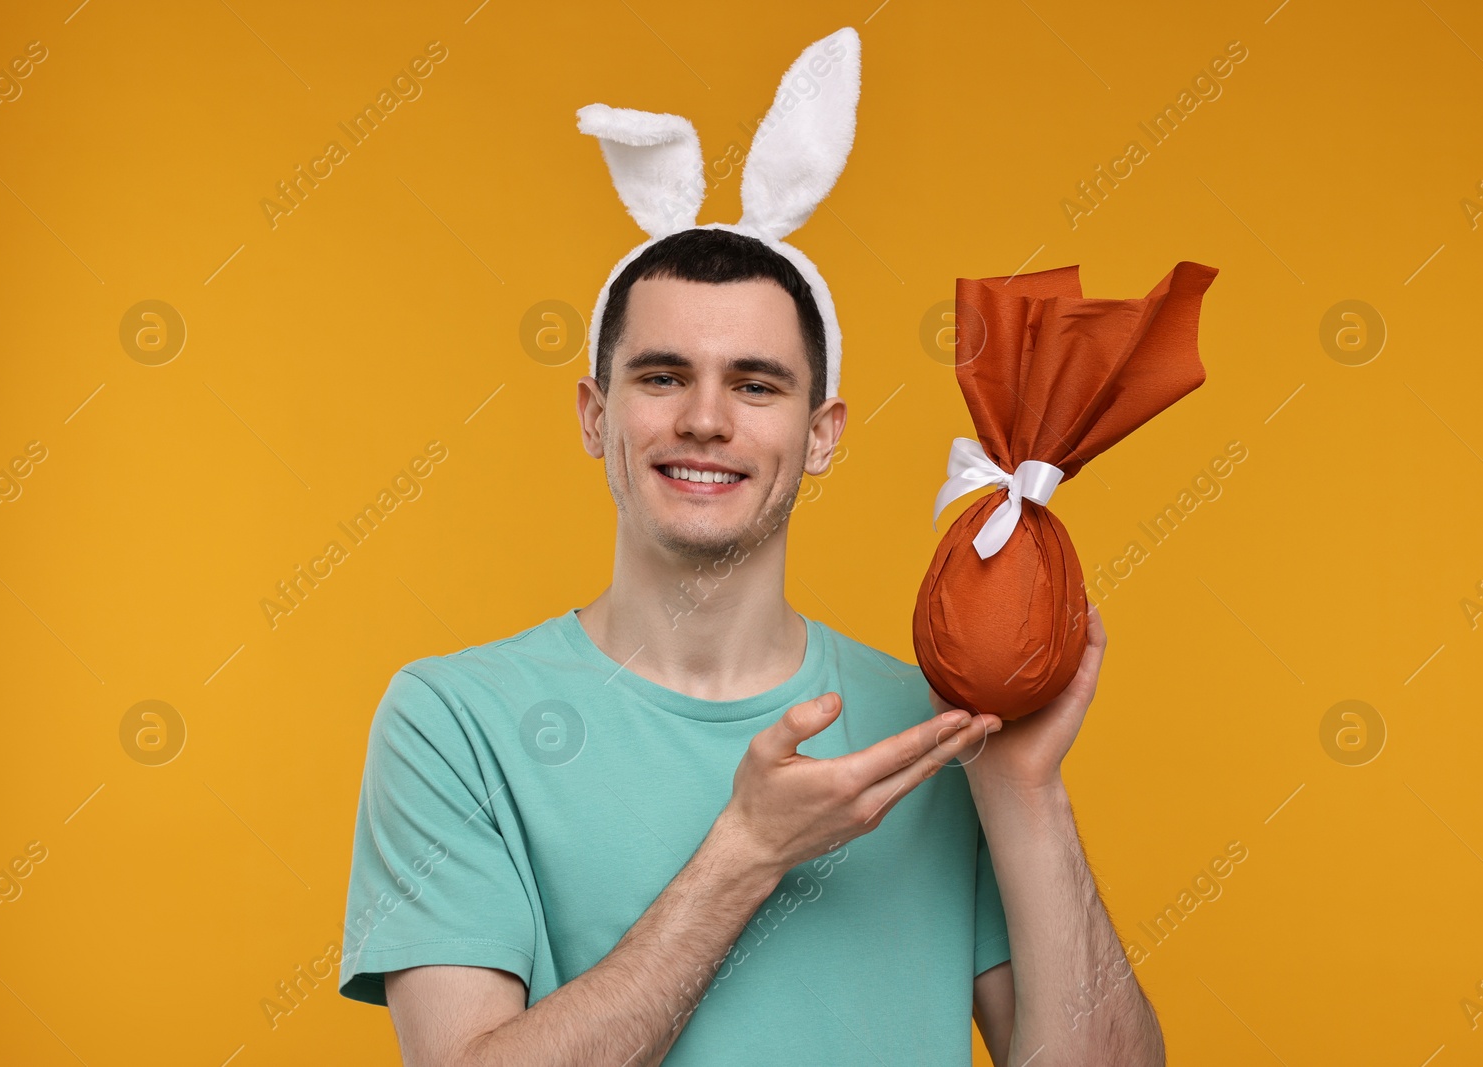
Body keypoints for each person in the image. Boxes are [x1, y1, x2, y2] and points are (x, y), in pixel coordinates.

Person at [336, 226, 1163, 1065]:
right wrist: (749, 850)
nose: (704, 420)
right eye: (662, 377)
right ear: (594, 415)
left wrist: (1025, 789)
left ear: (822, 434)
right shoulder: (453, 722)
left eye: (756, 385)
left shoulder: (937, 734)